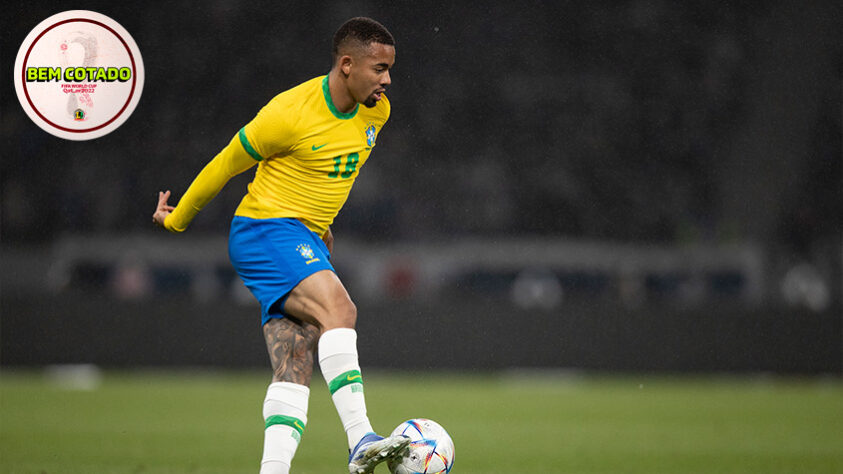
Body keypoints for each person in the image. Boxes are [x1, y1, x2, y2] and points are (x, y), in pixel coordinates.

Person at [151, 17, 407, 474]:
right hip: (264, 228)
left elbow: (331, 173)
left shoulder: (376, 113)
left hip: (302, 236)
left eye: (390, 68)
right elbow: (225, 164)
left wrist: (320, 226)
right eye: (379, 68)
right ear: (347, 64)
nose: (387, 79)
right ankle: (361, 438)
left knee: (296, 356)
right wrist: (179, 218)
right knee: (340, 310)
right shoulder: (288, 113)